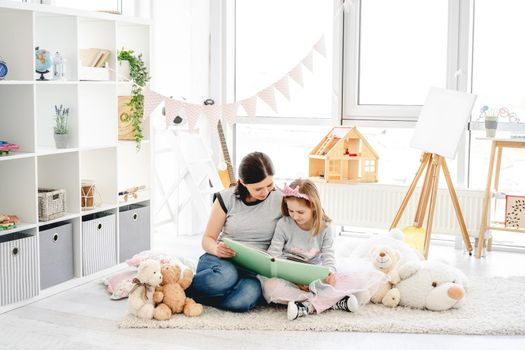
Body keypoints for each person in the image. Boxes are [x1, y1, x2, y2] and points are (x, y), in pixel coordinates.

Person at [259, 179, 384, 321]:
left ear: (313, 206)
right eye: (291, 210)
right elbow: (274, 255)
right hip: (289, 276)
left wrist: (328, 275)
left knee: (357, 280)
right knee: (270, 288)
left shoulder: (325, 227)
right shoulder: (284, 224)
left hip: (316, 277)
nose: (295, 216)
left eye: (300, 212)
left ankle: (307, 306)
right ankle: (332, 302)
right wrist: (294, 280)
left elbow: (328, 256)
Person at [186, 151, 284, 312]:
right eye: (258, 188)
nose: (265, 192)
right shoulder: (226, 198)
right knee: (226, 277)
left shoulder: (281, 199)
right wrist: (216, 248)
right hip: (221, 262)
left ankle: (204, 297)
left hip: (254, 271)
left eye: (270, 185)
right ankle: (180, 291)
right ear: (243, 182)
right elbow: (207, 239)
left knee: (244, 299)